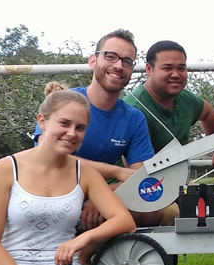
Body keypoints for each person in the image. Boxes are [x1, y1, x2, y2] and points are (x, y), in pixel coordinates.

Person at [0, 82, 137, 265]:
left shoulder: (85, 172)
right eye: (64, 123)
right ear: (42, 121)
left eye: (80, 128)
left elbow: (124, 220)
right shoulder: (6, 169)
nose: (72, 133)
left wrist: (80, 241)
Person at [32, 29, 158, 228]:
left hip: (100, 203)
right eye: (111, 56)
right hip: (51, 196)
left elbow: (138, 179)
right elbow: (47, 155)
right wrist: (114, 173)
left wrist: (104, 198)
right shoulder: (65, 102)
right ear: (93, 61)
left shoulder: (134, 117)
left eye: (127, 61)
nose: (118, 65)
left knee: (159, 210)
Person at [124, 40, 214, 225]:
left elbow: (208, 113)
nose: (176, 75)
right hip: (137, 189)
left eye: (182, 68)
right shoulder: (133, 108)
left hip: (172, 186)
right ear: (148, 69)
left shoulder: (186, 99)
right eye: (167, 68)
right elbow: (131, 173)